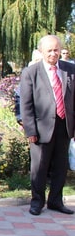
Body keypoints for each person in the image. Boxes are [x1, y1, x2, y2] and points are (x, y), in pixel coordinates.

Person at [20, 35, 75, 216]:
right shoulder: (31, 72)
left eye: (56, 49)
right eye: (49, 50)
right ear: (41, 51)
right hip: (41, 128)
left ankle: (55, 201)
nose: (53, 53)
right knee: (39, 167)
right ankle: (37, 202)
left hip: (64, 126)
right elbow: (26, 105)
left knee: (61, 166)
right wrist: (30, 130)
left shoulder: (70, 69)